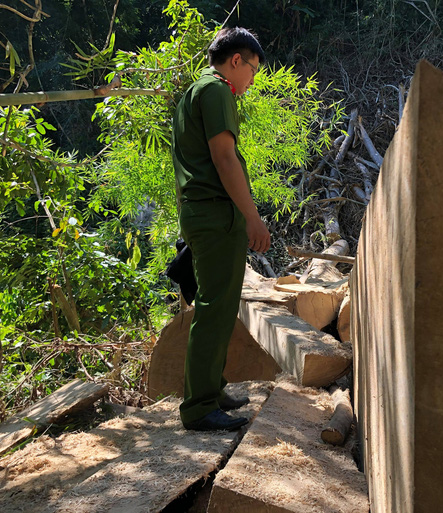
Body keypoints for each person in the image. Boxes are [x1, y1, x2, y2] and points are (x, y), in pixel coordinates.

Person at [171, 27, 271, 431]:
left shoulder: (194, 92)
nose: (252, 80)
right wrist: (252, 217)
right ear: (236, 61)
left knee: (221, 305)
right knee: (214, 308)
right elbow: (224, 158)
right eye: (253, 70)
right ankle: (198, 407)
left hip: (205, 213)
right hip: (215, 215)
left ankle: (211, 390)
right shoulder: (216, 91)